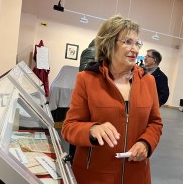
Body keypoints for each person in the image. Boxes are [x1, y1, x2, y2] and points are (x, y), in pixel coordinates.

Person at [62, 14, 163, 183]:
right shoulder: (86, 79)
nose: (135, 49)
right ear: (109, 43)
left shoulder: (148, 81)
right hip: (95, 176)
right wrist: (92, 130)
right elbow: (69, 127)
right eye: (128, 42)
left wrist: (146, 143)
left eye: (137, 43)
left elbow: (155, 123)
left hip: (136, 175)